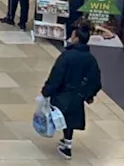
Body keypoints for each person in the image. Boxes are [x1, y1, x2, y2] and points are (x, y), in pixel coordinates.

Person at [43, 20, 101, 159]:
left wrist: (47, 90)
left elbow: (57, 75)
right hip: (78, 95)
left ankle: (67, 147)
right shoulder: (90, 59)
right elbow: (95, 79)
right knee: (71, 119)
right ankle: (67, 141)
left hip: (64, 93)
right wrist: (88, 94)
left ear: (76, 38)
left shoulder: (67, 56)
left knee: (63, 117)